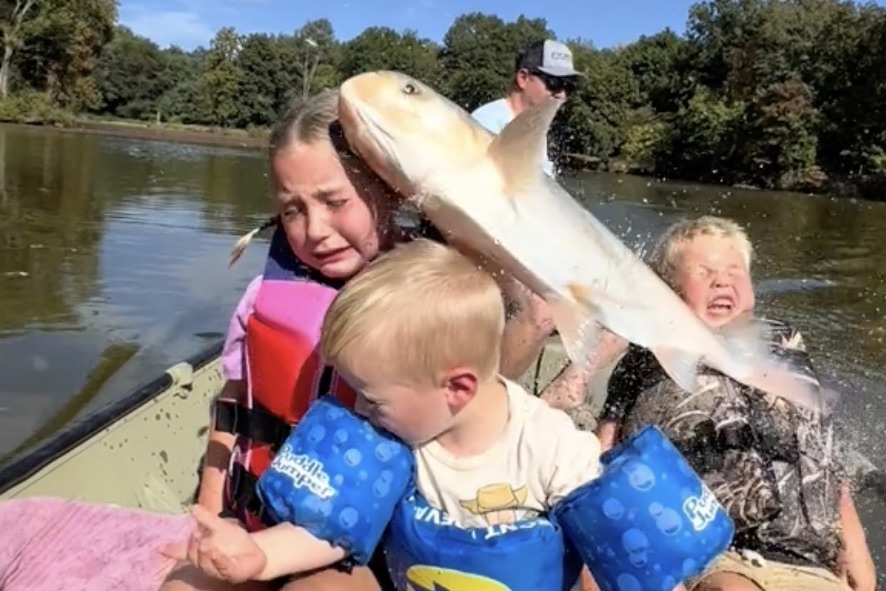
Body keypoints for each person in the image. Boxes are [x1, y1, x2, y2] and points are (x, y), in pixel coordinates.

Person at [163, 89, 557, 591]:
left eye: (334, 201)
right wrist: (209, 509)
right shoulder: (267, 293)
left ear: (387, 188)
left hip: (360, 547)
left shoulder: (435, 289)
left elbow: (484, 385)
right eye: (292, 210)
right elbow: (234, 406)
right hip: (257, 517)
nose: (315, 230)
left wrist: (531, 316)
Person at [164, 239, 606, 591]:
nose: (359, 412)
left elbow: (620, 546)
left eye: (372, 400)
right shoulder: (387, 437)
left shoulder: (553, 448)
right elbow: (326, 530)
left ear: (456, 387)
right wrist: (258, 555)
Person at [596, 216, 876, 591]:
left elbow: (820, 450)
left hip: (808, 560)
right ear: (669, 290)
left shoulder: (783, 344)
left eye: (734, 270)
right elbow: (603, 452)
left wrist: (853, 544)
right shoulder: (648, 355)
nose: (722, 280)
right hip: (713, 553)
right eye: (704, 271)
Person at [471, 39, 583, 177]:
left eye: (569, 86)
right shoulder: (486, 123)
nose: (562, 94)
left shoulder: (535, 128)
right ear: (523, 78)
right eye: (555, 83)